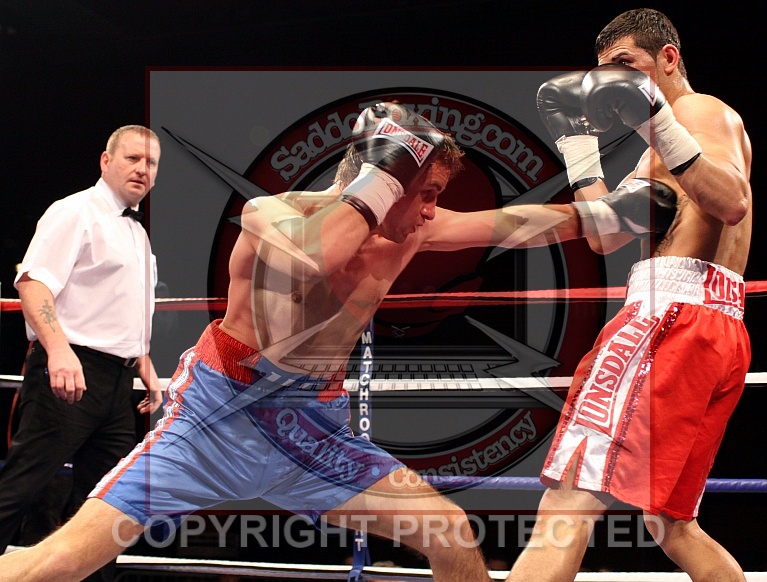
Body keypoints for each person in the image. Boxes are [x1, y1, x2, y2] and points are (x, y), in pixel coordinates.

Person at [0, 102, 676, 582]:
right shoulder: (270, 214)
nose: (433, 209)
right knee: (56, 565)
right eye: (423, 191)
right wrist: (383, 176)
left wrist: (617, 209)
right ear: (379, 179)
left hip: (312, 428)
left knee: (451, 534)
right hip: (214, 419)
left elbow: (517, 223)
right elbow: (313, 258)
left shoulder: (414, 229)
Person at [507, 8, 752, 581]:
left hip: (670, 317)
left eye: (625, 65)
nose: (610, 83)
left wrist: (659, 117)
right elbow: (606, 235)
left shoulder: (696, 111)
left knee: (567, 502)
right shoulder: (661, 146)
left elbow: (732, 200)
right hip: (712, 322)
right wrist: (577, 144)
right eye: (603, 74)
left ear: (668, 58)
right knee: (672, 523)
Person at [0, 125, 164, 580]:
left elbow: (120, 309)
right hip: (70, 372)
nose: (142, 169)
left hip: (117, 385)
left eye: (150, 163)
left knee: (107, 506)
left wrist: (144, 362)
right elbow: (33, 284)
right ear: (106, 161)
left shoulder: (136, 233)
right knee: (24, 486)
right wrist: (58, 350)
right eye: (132, 158)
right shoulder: (74, 212)